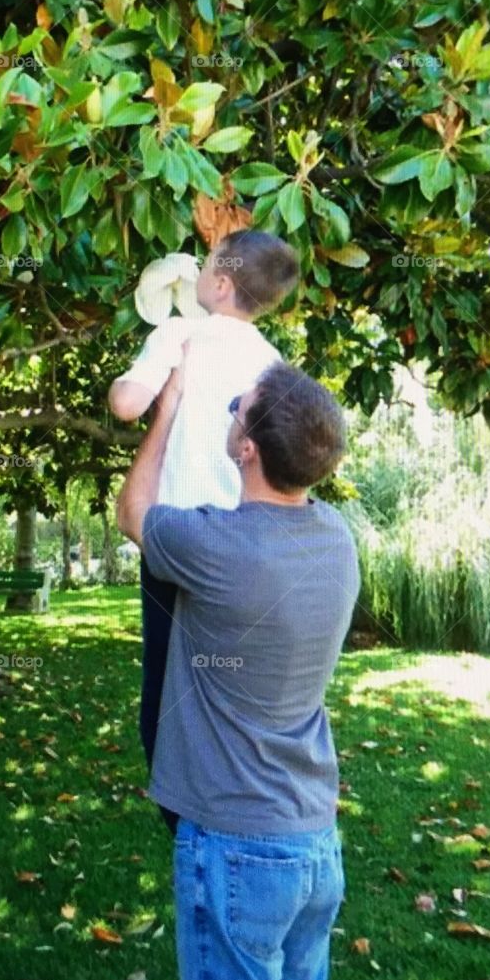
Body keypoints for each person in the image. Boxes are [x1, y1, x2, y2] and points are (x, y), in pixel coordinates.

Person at [116, 359, 360, 980]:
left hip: (237, 852)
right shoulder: (337, 540)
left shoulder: (215, 547)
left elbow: (131, 512)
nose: (226, 414)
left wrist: (164, 410)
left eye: (234, 406)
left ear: (247, 447)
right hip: (313, 845)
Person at [108, 230, 299, 833]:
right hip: (243, 544)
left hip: (174, 542)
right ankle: (234, 798)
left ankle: (182, 816)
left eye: (206, 265)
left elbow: (126, 406)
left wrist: (140, 385)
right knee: (229, 677)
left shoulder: (177, 333)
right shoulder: (272, 362)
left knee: (165, 683)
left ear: (219, 283)